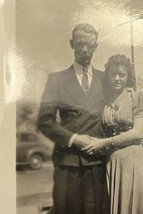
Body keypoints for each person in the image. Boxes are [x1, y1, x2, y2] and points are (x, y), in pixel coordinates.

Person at [37, 23, 108, 214]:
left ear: (96, 47)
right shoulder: (56, 80)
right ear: (72, 44)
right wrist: (75, 139)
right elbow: (44, 121)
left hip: (97, 164)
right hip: (67, 164)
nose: (84, 49)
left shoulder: (106, 80)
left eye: (89, 45)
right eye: (79, 44)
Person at [82, 54, 143, 214]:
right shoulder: (105, 102)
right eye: (113, 74)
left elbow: (138, 132)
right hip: (111, 161)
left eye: (122, 74)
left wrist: (104, 142)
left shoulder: (137, 97)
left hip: (131, 160)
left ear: (128, 77)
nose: (117, 78)